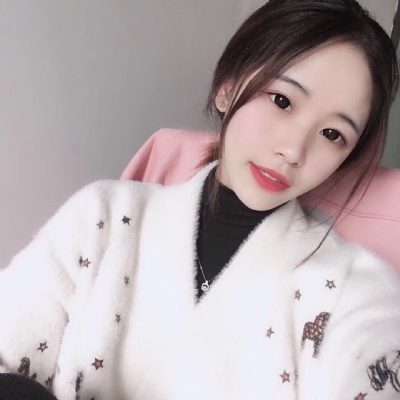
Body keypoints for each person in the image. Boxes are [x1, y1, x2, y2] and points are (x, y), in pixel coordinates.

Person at [1, 0, 400, 399]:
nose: (294, 150)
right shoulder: (102, 217)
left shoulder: (349, 286)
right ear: (227, 87)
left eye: (333, 135)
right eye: (282, 101)